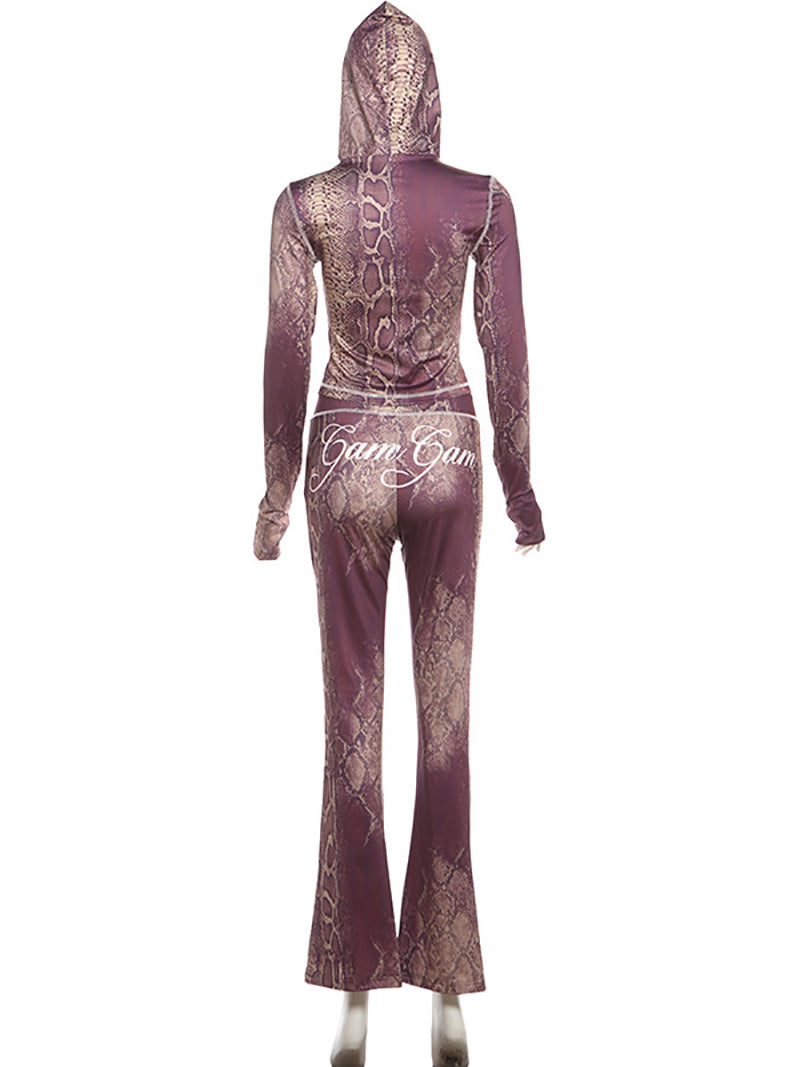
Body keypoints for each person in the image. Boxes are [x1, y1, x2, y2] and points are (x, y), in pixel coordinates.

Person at [252, 4, 545, 1064]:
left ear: (350, 89)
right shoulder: (480, 199)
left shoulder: (304, 204)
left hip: (345, 457)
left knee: (354, 719)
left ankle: (354, 992)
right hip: (447, 458)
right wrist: (521, 492)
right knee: (446, 720)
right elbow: (505, 351)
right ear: (430, 88)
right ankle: (449, 988)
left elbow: (287, 348)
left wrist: (274, 492)